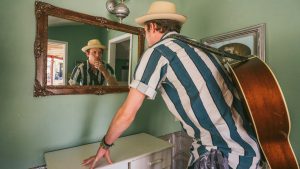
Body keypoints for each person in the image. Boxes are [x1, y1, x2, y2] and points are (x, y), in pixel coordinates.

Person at [82, 1, 262, 169]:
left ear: (152, 26)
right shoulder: (199, 47)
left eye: (145, 30)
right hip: (251, 149)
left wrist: (105, 145)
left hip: (221, 156)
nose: (145, 35)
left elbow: (127, 113)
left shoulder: (157, 52)